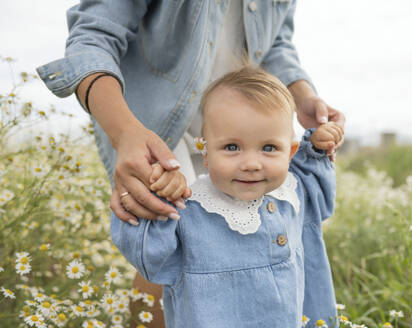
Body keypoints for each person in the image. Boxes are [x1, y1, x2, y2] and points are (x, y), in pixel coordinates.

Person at [36, 1, 345, 326]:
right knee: (170, 227)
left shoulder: (297, 190)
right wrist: (124, 133)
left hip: (247, 118)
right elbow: (93, 34)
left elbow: (277, 42)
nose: (253, 165)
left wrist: (304, 95)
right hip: (149, 124)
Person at [112, 66, 341, 328]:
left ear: (290, 153)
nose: (251, 163)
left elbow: (321, 197)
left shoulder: (294, 195)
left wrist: (318, 149)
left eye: (269, 148)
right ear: (206, 154)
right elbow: (148, 257)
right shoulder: (188, 211)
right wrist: (160, 194)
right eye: (232, 147)